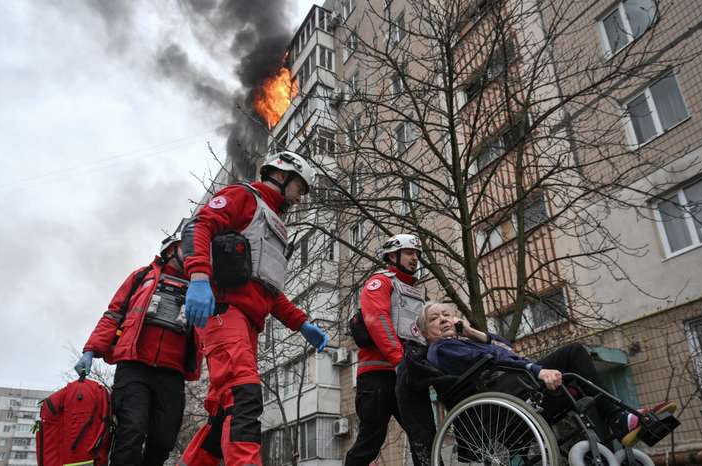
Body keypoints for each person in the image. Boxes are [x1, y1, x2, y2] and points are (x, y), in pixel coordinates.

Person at [178, 151, 329, 466]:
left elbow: (268, 291)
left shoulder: (275, 226)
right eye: (300, 189)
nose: (300, 199)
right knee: (244, 396)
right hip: (225, 313)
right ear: (282, 175)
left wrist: (302, 324)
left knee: (224, 413)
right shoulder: (242, 196)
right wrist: (199, 278)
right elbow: (199, 227)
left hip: (248, 325)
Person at [418, 302, 676, 447]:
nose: (443, 319)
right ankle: (620, 420)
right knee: (572, 355)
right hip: (510, 394)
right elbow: (495, 359)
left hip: (515, 386)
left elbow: (507, 348)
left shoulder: (464, 341)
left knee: (578, 382)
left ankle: (619, 425)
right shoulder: (441, 349)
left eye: (447, 314)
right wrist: (537, 371)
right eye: (434, 318)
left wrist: (472, 332)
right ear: (426, 333)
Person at [75, 233, 201, 466]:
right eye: (189, 247)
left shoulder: (200, 288)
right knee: (131, 430)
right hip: (134, 368)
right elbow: (114, 313)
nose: (195, 253)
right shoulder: (141, 277)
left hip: (172, 373)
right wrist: (91, 349)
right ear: (171, 249)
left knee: (164, 440)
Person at [345, 233, 435, 466]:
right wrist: (399, 361)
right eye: (409, 253)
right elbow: (377, 320)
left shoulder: (418, 293)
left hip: (409, 372)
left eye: (417, 254)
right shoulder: (380, 282)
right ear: (392, 256)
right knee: (370, 441)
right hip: (378, 375)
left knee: (425, 438)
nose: (415, 258)